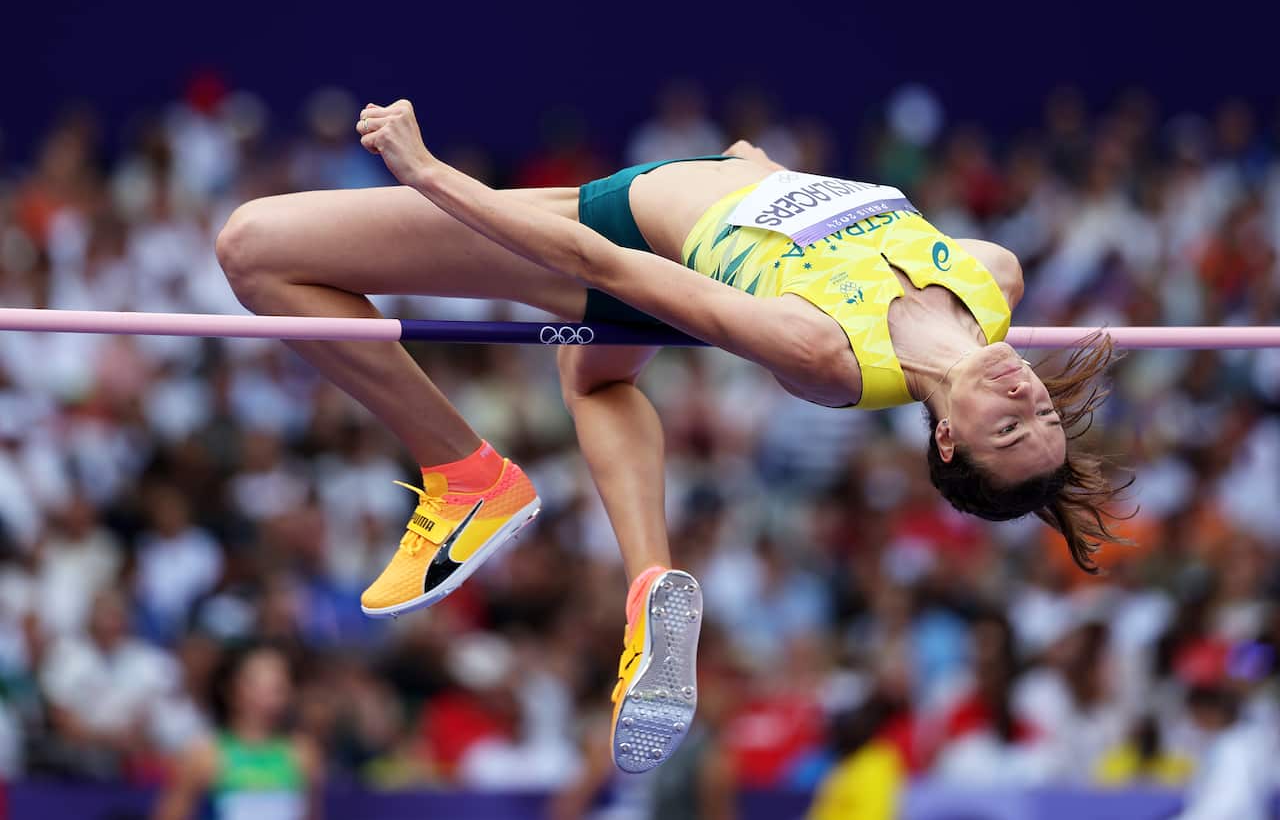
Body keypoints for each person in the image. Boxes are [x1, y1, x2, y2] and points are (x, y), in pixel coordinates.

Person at [214, 98, 1130, 773]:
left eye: (1006, 427)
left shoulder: (824, 352)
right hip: (670, 201)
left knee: (254, 246)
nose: (1023, 393)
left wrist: (432, 176)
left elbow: (602, 263)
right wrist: (757, 173)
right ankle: (650, 576)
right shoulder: (993, 278)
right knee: (595, 379)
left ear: (945, 442)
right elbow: (828, 226)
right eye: (1039, 412)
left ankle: (465, 472)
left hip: (612, 234)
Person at [152, 645, 322, 820]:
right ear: (230, 688)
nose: (268, 694)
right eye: (257, 684)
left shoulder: (302, 753)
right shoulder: (204, 754)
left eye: (277, 685)